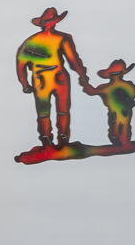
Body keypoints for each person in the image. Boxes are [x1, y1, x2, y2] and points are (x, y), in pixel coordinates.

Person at [15, 8, 91, 148]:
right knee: (63, 109)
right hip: (59, 77)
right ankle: (63, 137)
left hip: (40, 79)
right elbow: (73, 60)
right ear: (55, 22)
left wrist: (25, 83)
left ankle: (45, 138)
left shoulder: (31, 41)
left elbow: (20, 64)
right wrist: (83, 75)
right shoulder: (62, 38)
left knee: (43, 111)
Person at [84, 59, 135, 149]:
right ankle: (122, 142)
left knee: (118, 126)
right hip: (123, 110)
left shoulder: (107, 87)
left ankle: (123, 142)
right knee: (121, 126)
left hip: (119, 110)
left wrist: (85, 83)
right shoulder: (126, 85)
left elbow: (91, 91)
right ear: (122, 74)